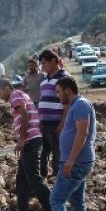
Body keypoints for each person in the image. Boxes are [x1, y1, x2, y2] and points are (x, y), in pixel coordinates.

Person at [42, 76, 96, 211]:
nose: (58, 96)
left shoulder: (80, 104)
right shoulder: (75, 105)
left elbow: (83, 133)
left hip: (77, 161)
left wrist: (71, 160)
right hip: (77, 161)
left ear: (67, 90)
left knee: (56, 199)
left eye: (58, 92)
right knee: (77, 201)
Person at [0, 82, 50, 211]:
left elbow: (25, 115)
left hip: (30, 141)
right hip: (30, 141)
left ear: (7, 88)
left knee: (34, 180)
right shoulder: (20, 95)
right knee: (21, 180)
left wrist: (21, 140)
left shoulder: (15, 95)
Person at [37, 49, 70, 179]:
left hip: (56, 122)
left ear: (54, 61)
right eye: (41, 63)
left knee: (58, 151)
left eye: (44, 63)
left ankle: (58, 177)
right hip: (44, 122)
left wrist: (63, 123)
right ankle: (42, 177)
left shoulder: (64, 78)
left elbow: (67, 103)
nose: (42, 66)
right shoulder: (45, 80)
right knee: (43, 152)